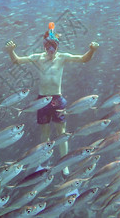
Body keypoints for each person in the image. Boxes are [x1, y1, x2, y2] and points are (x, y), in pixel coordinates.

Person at [5, 22, 99, 175]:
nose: (50, 50)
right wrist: (11, 51)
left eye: (53, 47)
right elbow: (18, 60)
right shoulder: (38, 58)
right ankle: (43, 161)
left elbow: (83, 59)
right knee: (45, 133)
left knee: (61, 132)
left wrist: (92, 50)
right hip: (42, 99)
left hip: (57, 98)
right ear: (44, 46)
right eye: (48, 46)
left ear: (57, 46)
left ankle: (65, 163)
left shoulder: (62, 57)